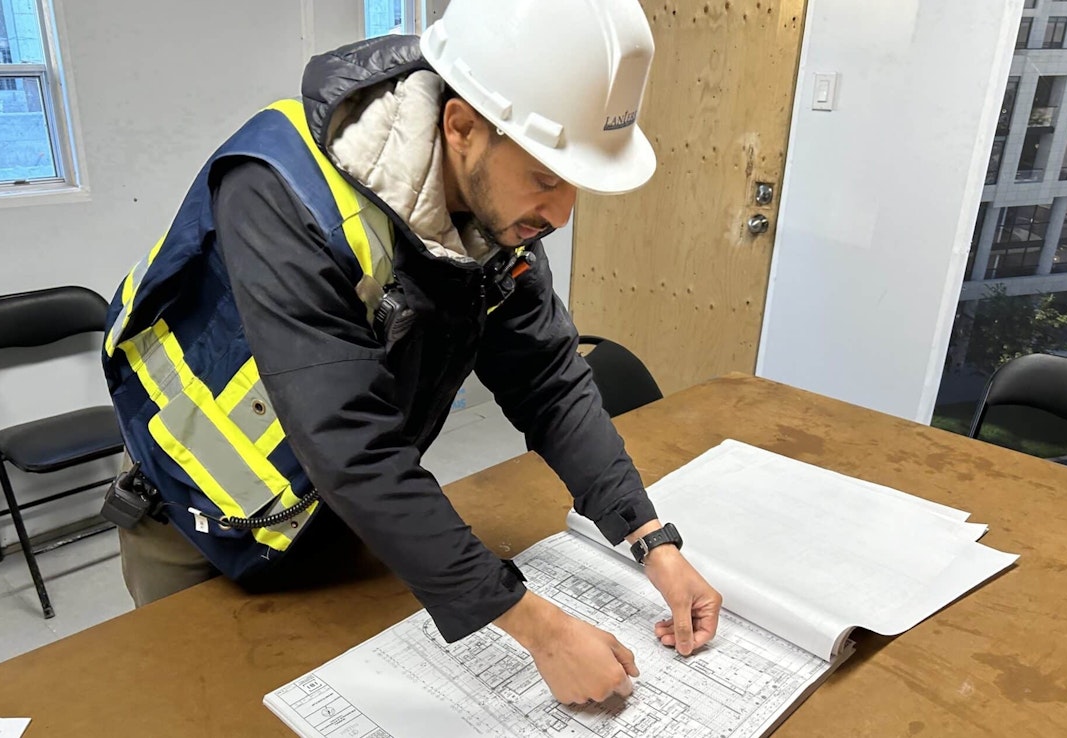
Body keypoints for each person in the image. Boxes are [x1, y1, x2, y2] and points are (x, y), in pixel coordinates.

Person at [100, 0, 722, 705]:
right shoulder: (282, 192)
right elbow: (352, 447)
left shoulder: (494, 221)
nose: (561, 214)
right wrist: (542, 632)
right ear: (460, 126)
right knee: (208, 711)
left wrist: (650, 540)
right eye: (548, 177)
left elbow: (548, 381)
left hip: (341, 522)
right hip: (195, 527)